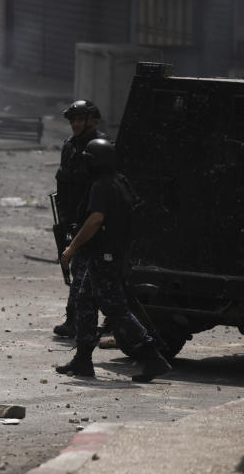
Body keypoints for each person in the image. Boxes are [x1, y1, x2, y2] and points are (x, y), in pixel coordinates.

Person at [57, 138, 170, 382]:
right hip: (111, 256)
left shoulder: (101, 185)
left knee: (115, 308)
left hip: (104, 258)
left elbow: (95, 219)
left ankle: (152, 356)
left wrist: (71, 249)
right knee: (85, 302)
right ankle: (83, 360)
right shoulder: (121, 183)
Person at [53, 100, 106, 338]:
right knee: (83, 273)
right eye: (72, 120)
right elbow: (62, 180)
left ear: (92, 120)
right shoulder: (69, 146)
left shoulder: (101, 148)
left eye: (80, 119)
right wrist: (63, 213)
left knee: (84, 273)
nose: (75, 124)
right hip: (74, 217)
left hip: (94, 219)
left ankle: (76, 320)